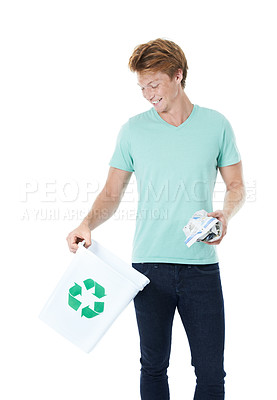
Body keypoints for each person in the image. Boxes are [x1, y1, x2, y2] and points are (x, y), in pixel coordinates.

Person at [66, 38, 246, 400]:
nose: (148, 94)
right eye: (141, 87)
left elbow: (237, 186)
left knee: (211, 371)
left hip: (200, 267)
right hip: (148, 269)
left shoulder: (217, 125)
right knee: (153, 366)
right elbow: (111, 193)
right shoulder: (133, 130)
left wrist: (225, 215)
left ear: (178, 76)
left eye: (154, 84)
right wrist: (87, 223)